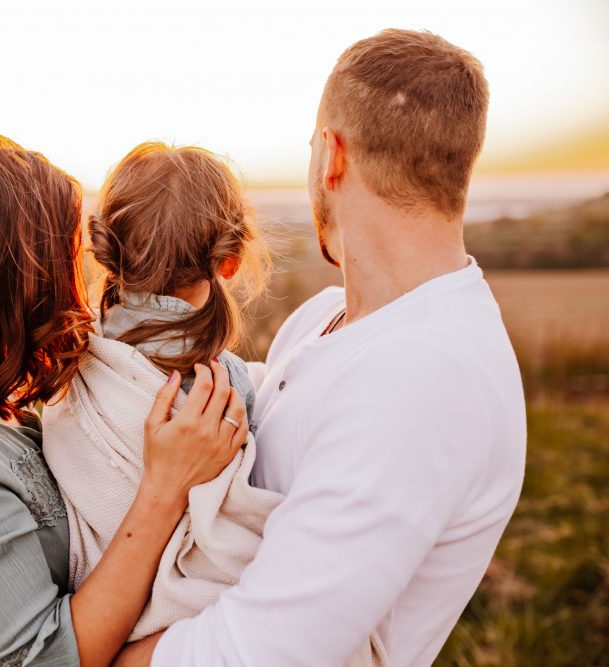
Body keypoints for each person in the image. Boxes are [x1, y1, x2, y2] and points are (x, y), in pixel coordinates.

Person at [115, 29, 527, 667]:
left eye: (311, 148)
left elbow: (260, 653)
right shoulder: (327, 316)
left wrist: (76, 651)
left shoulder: (428, 377)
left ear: (330, 156)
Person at [0, 133, 248, 667]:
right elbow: (48, 661)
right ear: (10, 277)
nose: (78, 282)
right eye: (60, 259)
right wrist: (166, 489)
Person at [40, 142, 385, 666]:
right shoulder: (226, 386)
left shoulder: (72, 362)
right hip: (184, 617)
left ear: (109, 250)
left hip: (99, 607)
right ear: (229, 263)